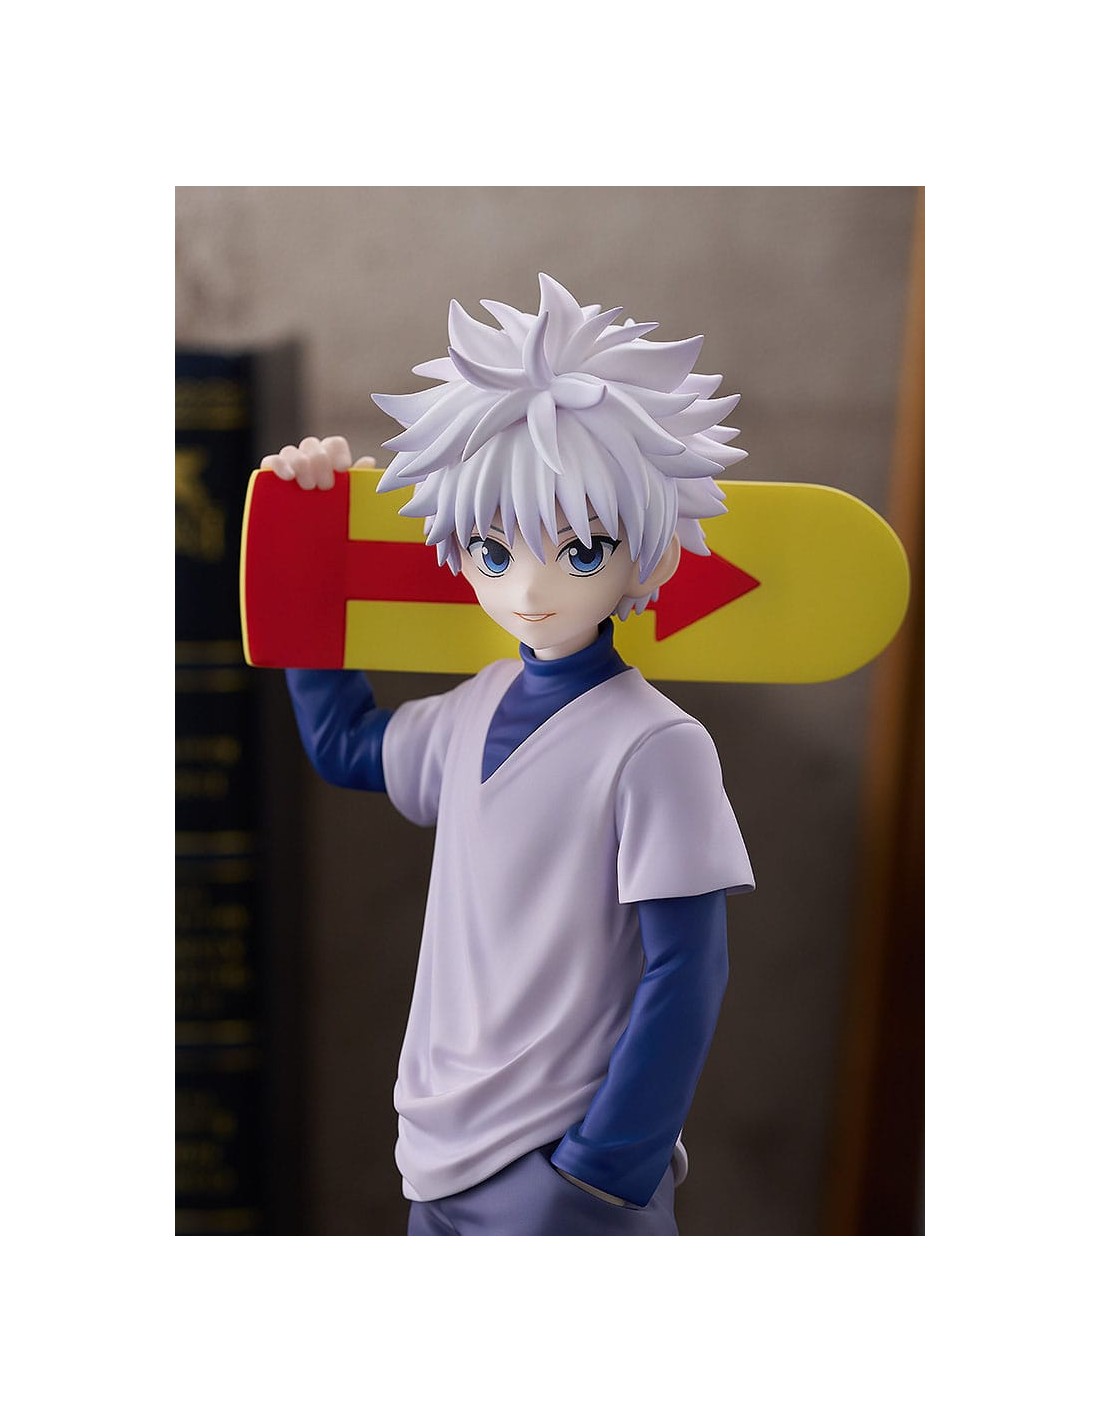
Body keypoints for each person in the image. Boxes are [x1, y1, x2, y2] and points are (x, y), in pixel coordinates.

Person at [264, 274, 754, 1235]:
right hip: (434, 1155)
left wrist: (604, 1171)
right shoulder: (476, 707)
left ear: (650, 558)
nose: (529, 588)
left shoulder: (658, 746)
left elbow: (688, 971)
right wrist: (304, 541)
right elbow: (344, 743)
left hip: (564, 1174)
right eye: (494, 552)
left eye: (582, 551)